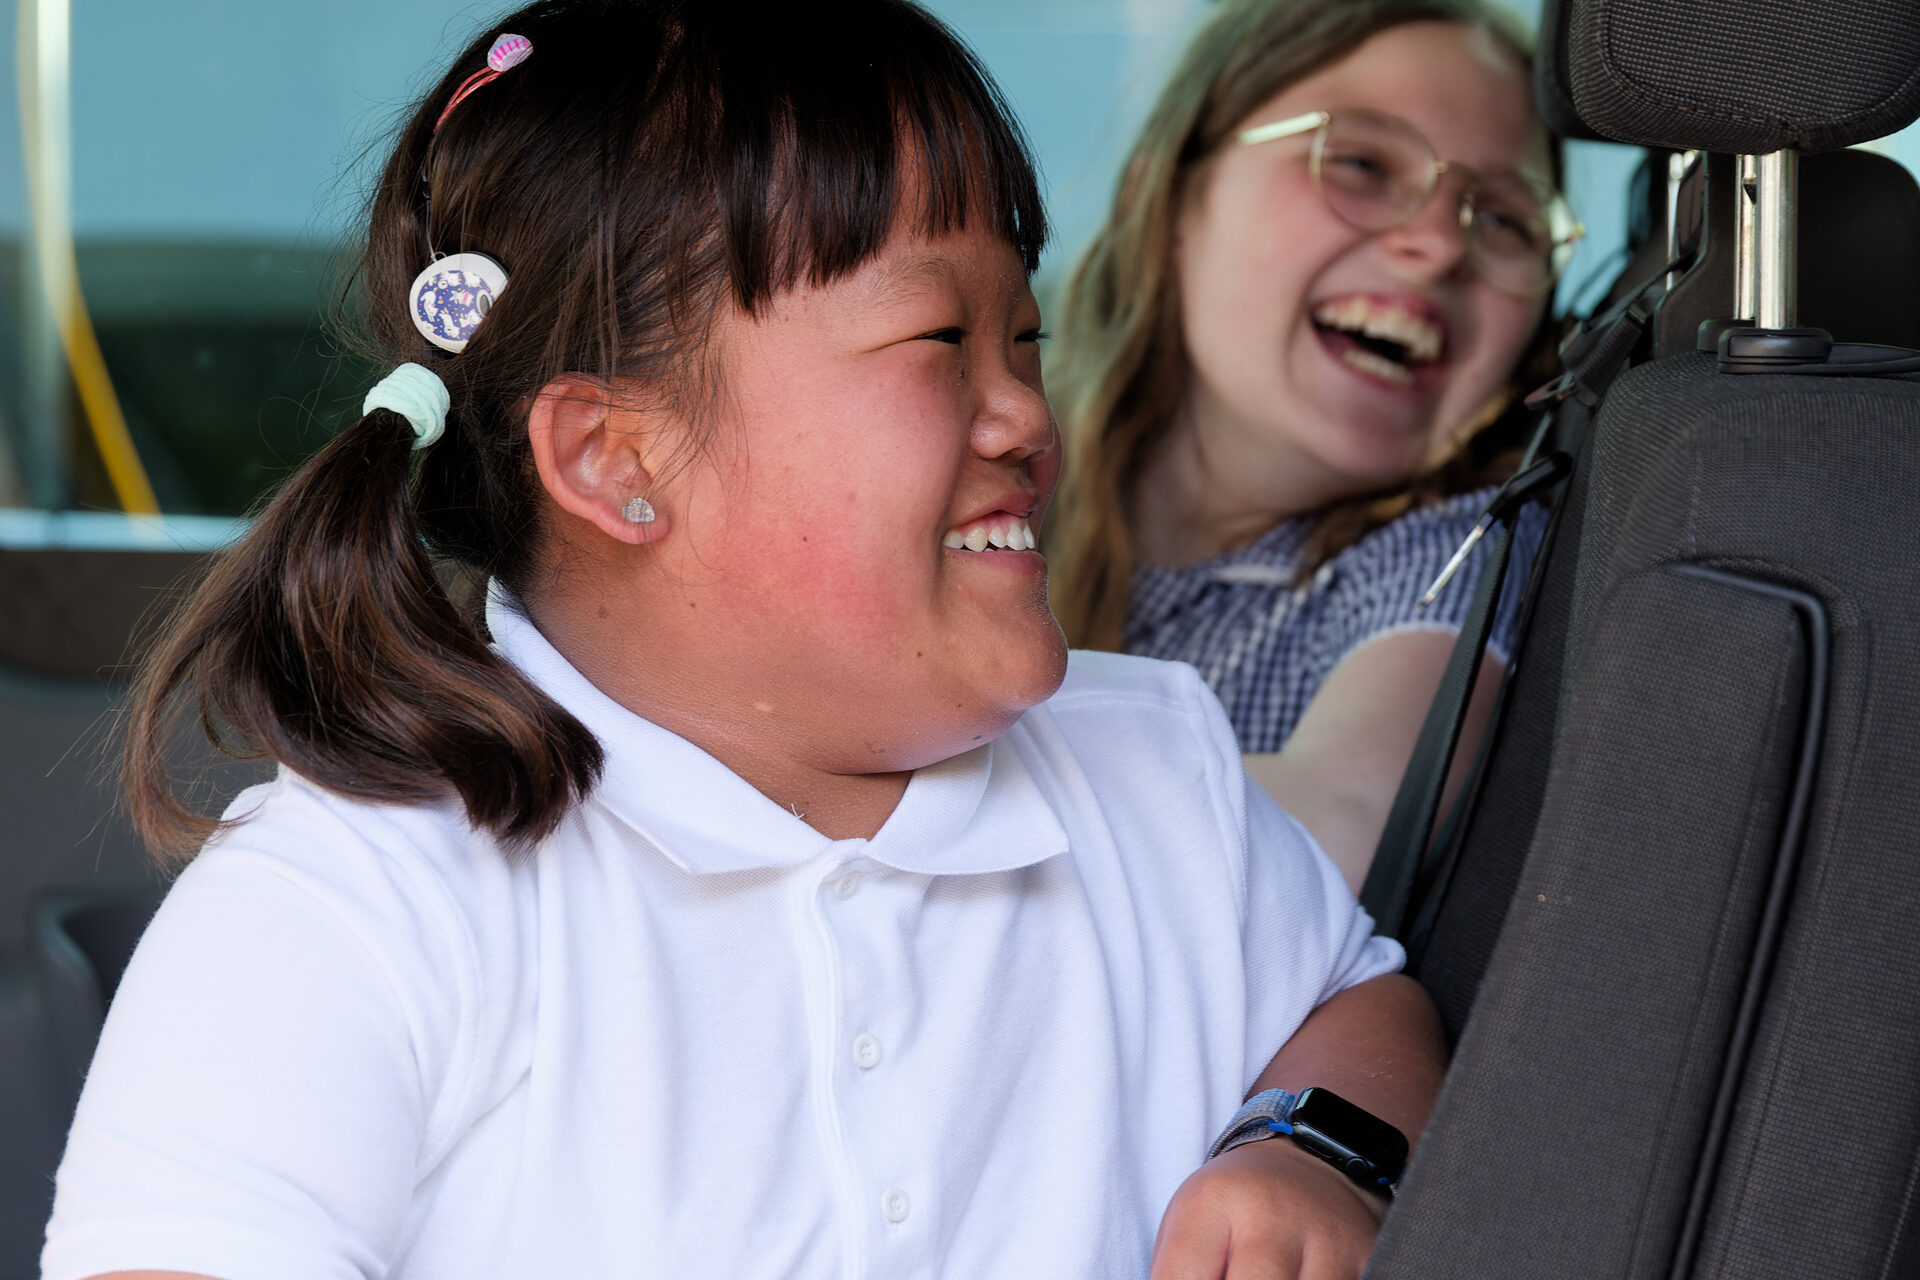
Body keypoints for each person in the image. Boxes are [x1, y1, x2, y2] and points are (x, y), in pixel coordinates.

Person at [41, 3, 1443, 1279]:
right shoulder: (358, 905)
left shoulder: (1156, 774)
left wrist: (1310, 1144)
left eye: (1025, 338)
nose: (1026, 414)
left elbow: (1356, 999)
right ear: (617, 460)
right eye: (940, 342)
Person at [1045, 0, 1579, 890]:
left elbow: (1340, 825)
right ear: (1167, 194)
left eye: (1507, 220)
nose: (1440, 243)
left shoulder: (1451, 553)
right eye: (1363, 162)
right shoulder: (988, 490)